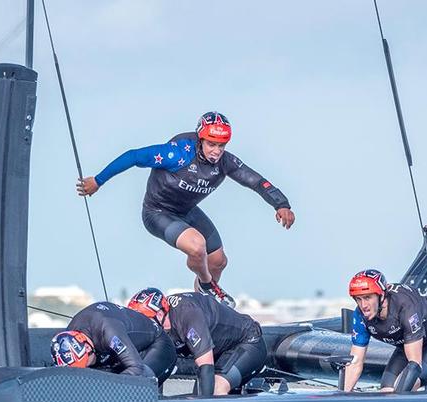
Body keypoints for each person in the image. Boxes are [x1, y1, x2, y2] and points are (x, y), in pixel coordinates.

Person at [76, 112, 296, 308]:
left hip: (187, 211)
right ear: (200, 140)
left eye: (222, 146)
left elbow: (255, 181)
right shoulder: (176, 154)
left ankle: (202, 304)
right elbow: (134, 156)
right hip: (157, 212)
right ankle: (208, 285)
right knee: (197, 246)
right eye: (211, 144)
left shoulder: (225, 162)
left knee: (219, 261)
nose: (216, 151)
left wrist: (281, 204)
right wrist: (98, 180)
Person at [128, 287, 266, 396]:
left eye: (145, 321)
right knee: (198, 394)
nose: (143, 327)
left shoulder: (187, 315)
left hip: (247, 342)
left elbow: (206, 364)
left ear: (159, 314)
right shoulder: (158, 325)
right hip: (219, 351)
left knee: (215, 389)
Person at [344, 269, 427, 392]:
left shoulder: (405, 306)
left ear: (381, 296)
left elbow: (414, 365)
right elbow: (355, 362)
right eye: (358, 299)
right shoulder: (360, 315)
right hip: (404, 346)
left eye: (367, 297)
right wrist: (341, 399)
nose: (363, 305)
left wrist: (398, 397)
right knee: (386, 391)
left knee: (401, 389)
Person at [51, 302, 176, 383]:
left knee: (138, 383)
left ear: (88, 348)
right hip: (115, 352)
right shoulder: (69, 334)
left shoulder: (110, 333)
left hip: (156, 344)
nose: (87, 367)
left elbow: (138, 369)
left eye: (85, 363)